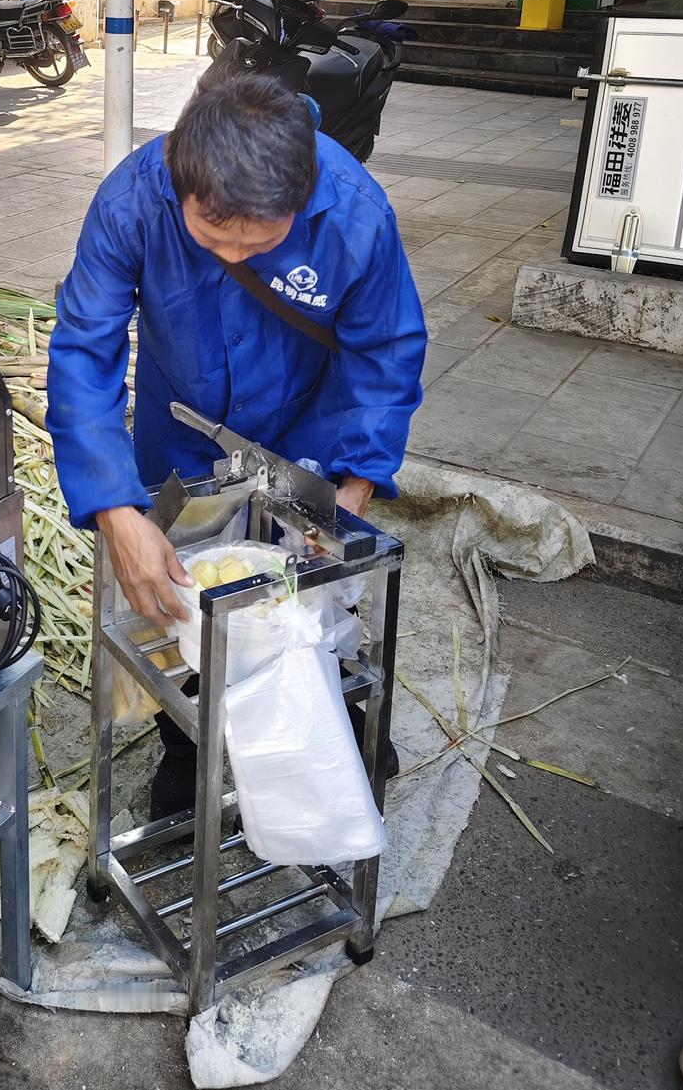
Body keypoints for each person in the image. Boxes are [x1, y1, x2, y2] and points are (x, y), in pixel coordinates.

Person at [45, 73, 427, 810]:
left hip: (304, 426)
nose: (239, 254)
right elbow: (83, 351)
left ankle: (325, 715)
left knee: (305, 592)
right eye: (215, 237)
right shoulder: (131, 202)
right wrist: (114, 509)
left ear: (301, 199)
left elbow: (386, 352)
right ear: (180, 184)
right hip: (182, 424)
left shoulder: (354, 213)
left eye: (264, 240)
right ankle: (186, 751)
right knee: (181, 591)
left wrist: (354, 485)